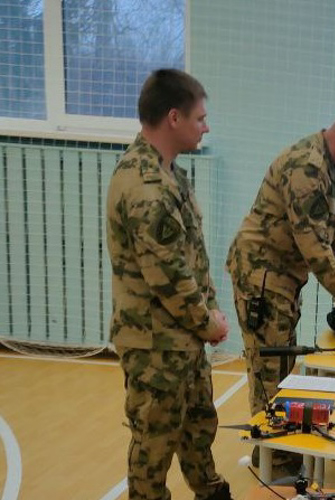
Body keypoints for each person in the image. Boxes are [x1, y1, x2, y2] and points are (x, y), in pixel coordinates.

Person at [226, 106, 335, 474]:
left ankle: (277, 448)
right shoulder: (306, 168)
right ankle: (271, 459)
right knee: (268, 369)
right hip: (261, 276)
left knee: (281, 364)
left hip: (283, 278)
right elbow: (312, 243)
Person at [106, 68, 232, 500]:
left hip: (183, 336)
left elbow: (192, 256)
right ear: (174, 118)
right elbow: (169, 277)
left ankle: (209, 491)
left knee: (198, 424)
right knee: (153, 445)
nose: (206, 126)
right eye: (200, 118)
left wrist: (210, 313)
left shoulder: (170, 173)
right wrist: (208, 321)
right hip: (155, 342)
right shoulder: (144, 185)